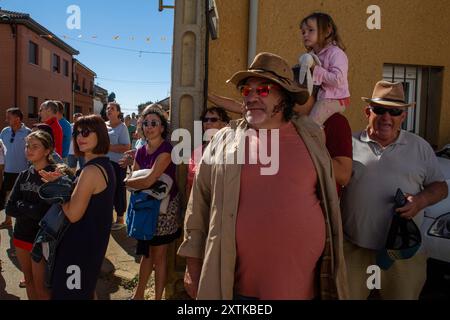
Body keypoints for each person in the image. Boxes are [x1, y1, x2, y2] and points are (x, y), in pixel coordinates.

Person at [178, 52, 348, 300]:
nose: (252, 97)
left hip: (306, 288)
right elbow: (198, 206)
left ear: (285, 97)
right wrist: (192, 266)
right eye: (247, 91)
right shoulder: (222, 142)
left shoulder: (312, 137)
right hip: (237, 291)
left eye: (264, 90)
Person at [340, 81, 448, 300]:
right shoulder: (348, 144)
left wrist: (420, 201)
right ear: (367, 112)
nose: (386, 117)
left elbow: (440, 187)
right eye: (379, 109)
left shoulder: (420, 147)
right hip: (355, 251)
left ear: (403, 116)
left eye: (395, 111)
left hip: (403, 255)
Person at [39, 115, 116, 300]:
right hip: (90, 247)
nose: (80, 136)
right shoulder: (104, 165)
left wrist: (59, 193)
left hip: (78, 250)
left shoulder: (90, 171)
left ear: (101, 135)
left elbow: (73, 214)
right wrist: (62, 182)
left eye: (86, 132)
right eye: (77, 132)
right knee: (87, 292)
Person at [125, 106, 181, 300]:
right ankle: (138, 295)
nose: (149, 127)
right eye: (146, 123)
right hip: (145, 209)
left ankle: (158, 297)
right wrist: (133, 181)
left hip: (164, 210)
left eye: (154, 123)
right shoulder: (140, 151)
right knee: (146, 255)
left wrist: (130, 182)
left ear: (162, 128)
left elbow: (145, 181)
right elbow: (136, 179)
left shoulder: (167, 150)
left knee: (159, 256)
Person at [5, 130, 58, 299]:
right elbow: (9, 208)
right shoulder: (24, 175)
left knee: (42, 287)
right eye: (27, 145)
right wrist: (30, 208)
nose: (29, 149)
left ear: (47, 150)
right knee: (28, 281)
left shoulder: (54, 175)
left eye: (35, 146)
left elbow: (43, 213)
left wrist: (22, 206)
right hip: (21, 236)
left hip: (42, 240)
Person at [298, 12, 350, 125]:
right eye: (303, 32)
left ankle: (314, 141)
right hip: (320, 97)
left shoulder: (336, 53)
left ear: (327, 31)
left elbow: (338, 79)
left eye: (310, 30)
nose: (305, 34)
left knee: (311, 124)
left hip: (334, 99)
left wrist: (315, 69)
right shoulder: (312, 55)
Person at [186, 106, 230, 196]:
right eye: (205, 120)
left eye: (213, 120)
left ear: (224, 124)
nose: (208, 123)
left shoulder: (230, 150)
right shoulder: (197, 152)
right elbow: (189, 184)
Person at [0, 108, 31, 229]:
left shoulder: (28, 132)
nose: (6, 119)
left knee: (22, 196)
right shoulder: (5, 131)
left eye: (9, 117)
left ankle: (20, 222)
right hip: (8, 170)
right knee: (8, 195)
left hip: (23, 170)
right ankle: (8, 220)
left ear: (17, 118)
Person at [105, 103, 131, 230]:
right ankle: (108, 218)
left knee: (119, 190)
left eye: (112, 109)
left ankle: (120, 219)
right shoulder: (103, 125)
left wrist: (107, 147)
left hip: (118, 164)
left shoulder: (122, 128)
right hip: (104, 163)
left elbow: (126, 147)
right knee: (106, 191)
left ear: (118, 112)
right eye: (108, 108)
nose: (109, 110)